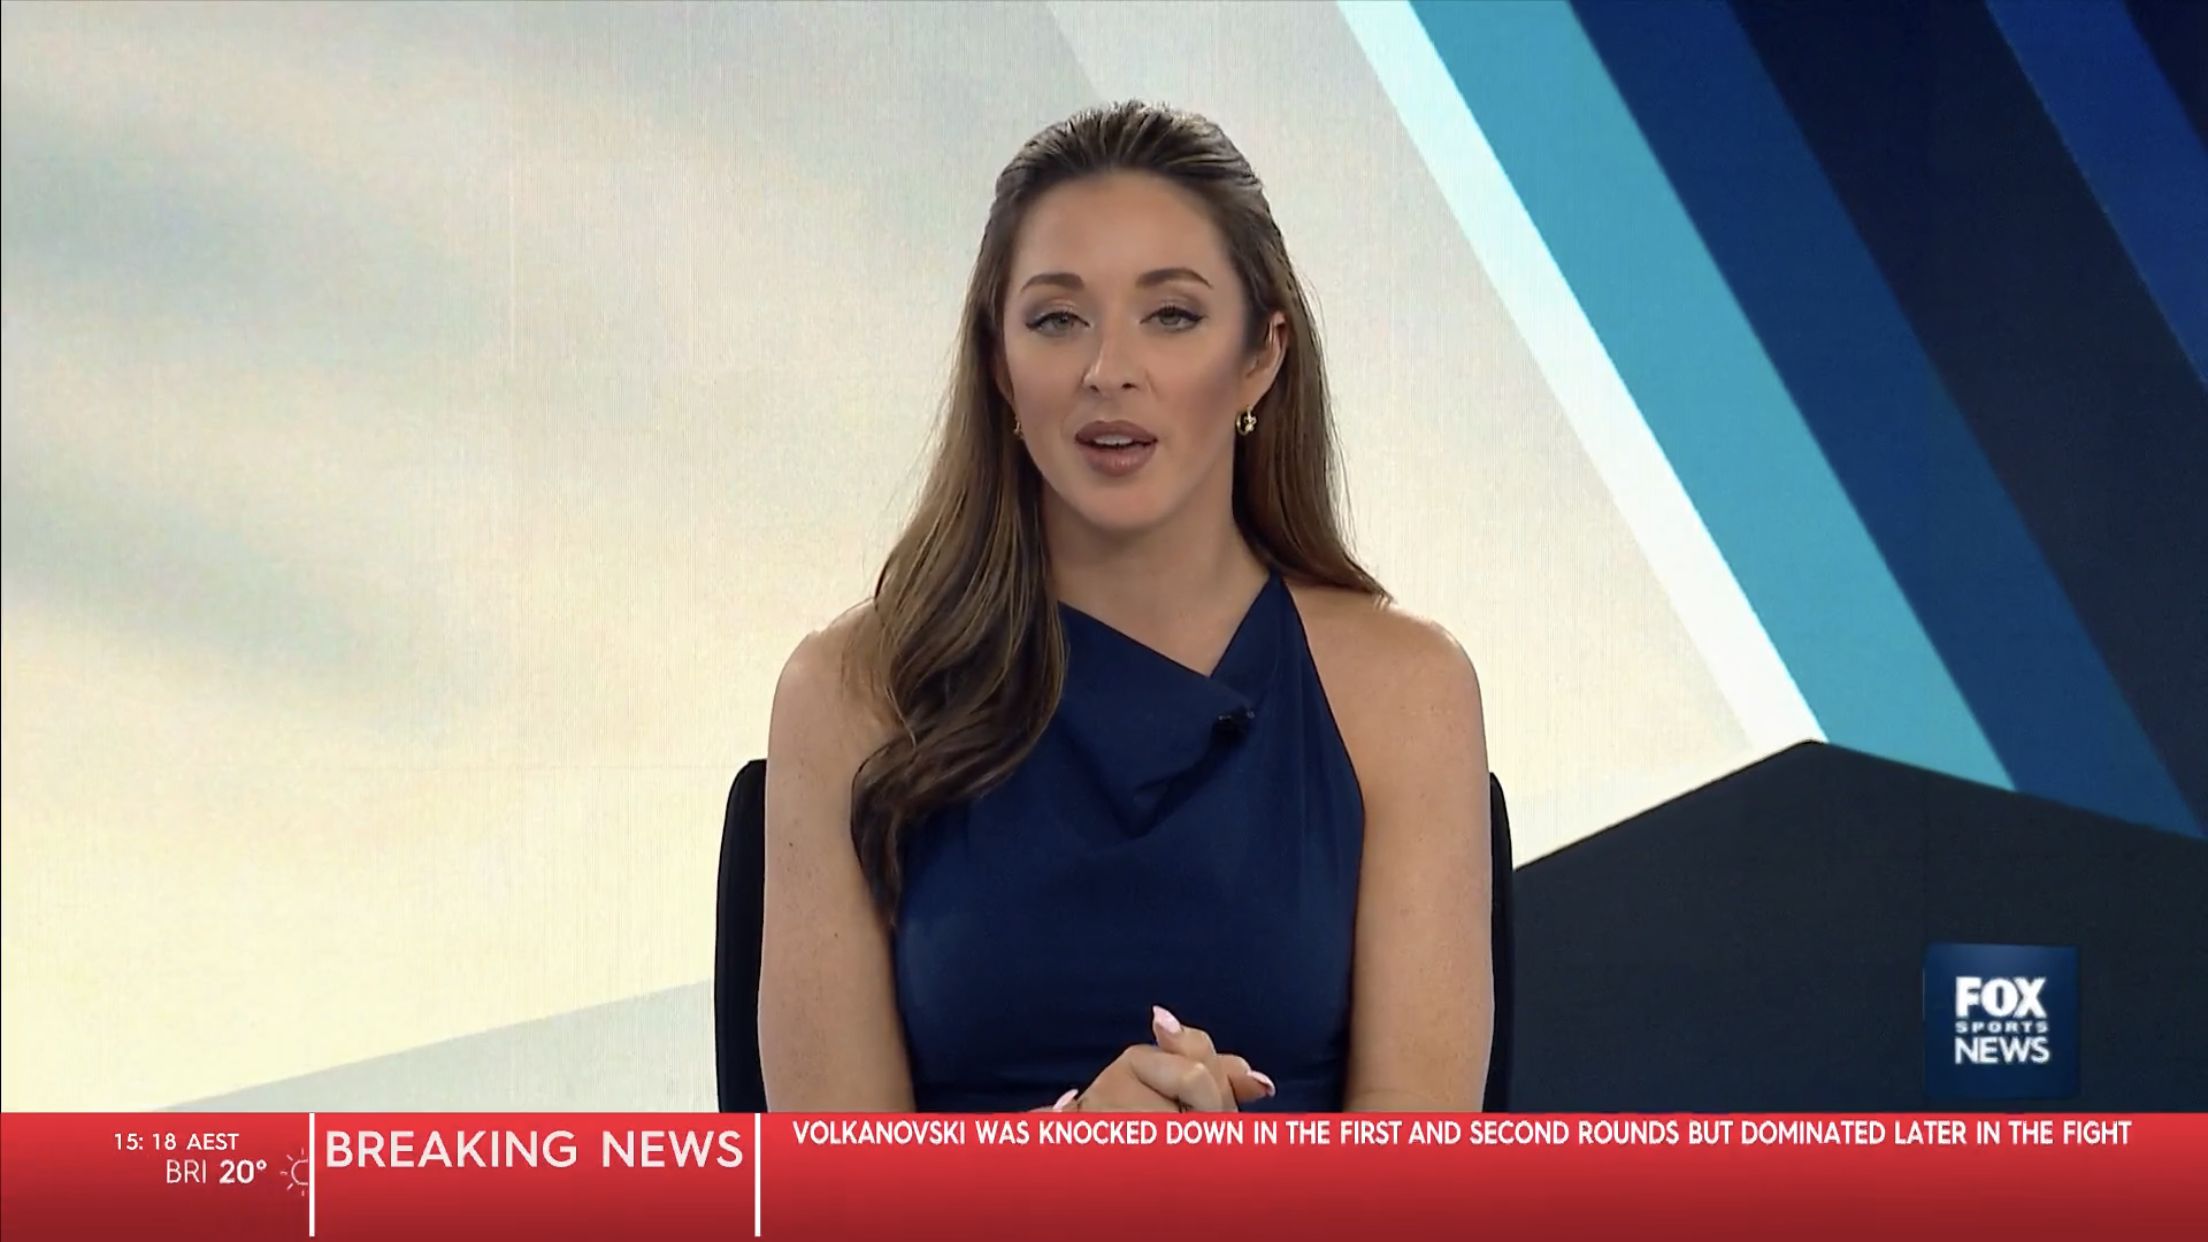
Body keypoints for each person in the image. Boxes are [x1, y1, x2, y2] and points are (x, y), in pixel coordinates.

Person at [761, 100, 1492, 1113]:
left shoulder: (1408, 693)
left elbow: (1423, 1183)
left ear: (1261, 355)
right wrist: (1064, 1163)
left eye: (1173, 316)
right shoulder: (846, 694)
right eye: (1058, 320)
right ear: (998, 363)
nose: (1109, 372)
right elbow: (828, 1187)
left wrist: (1224, 1181)